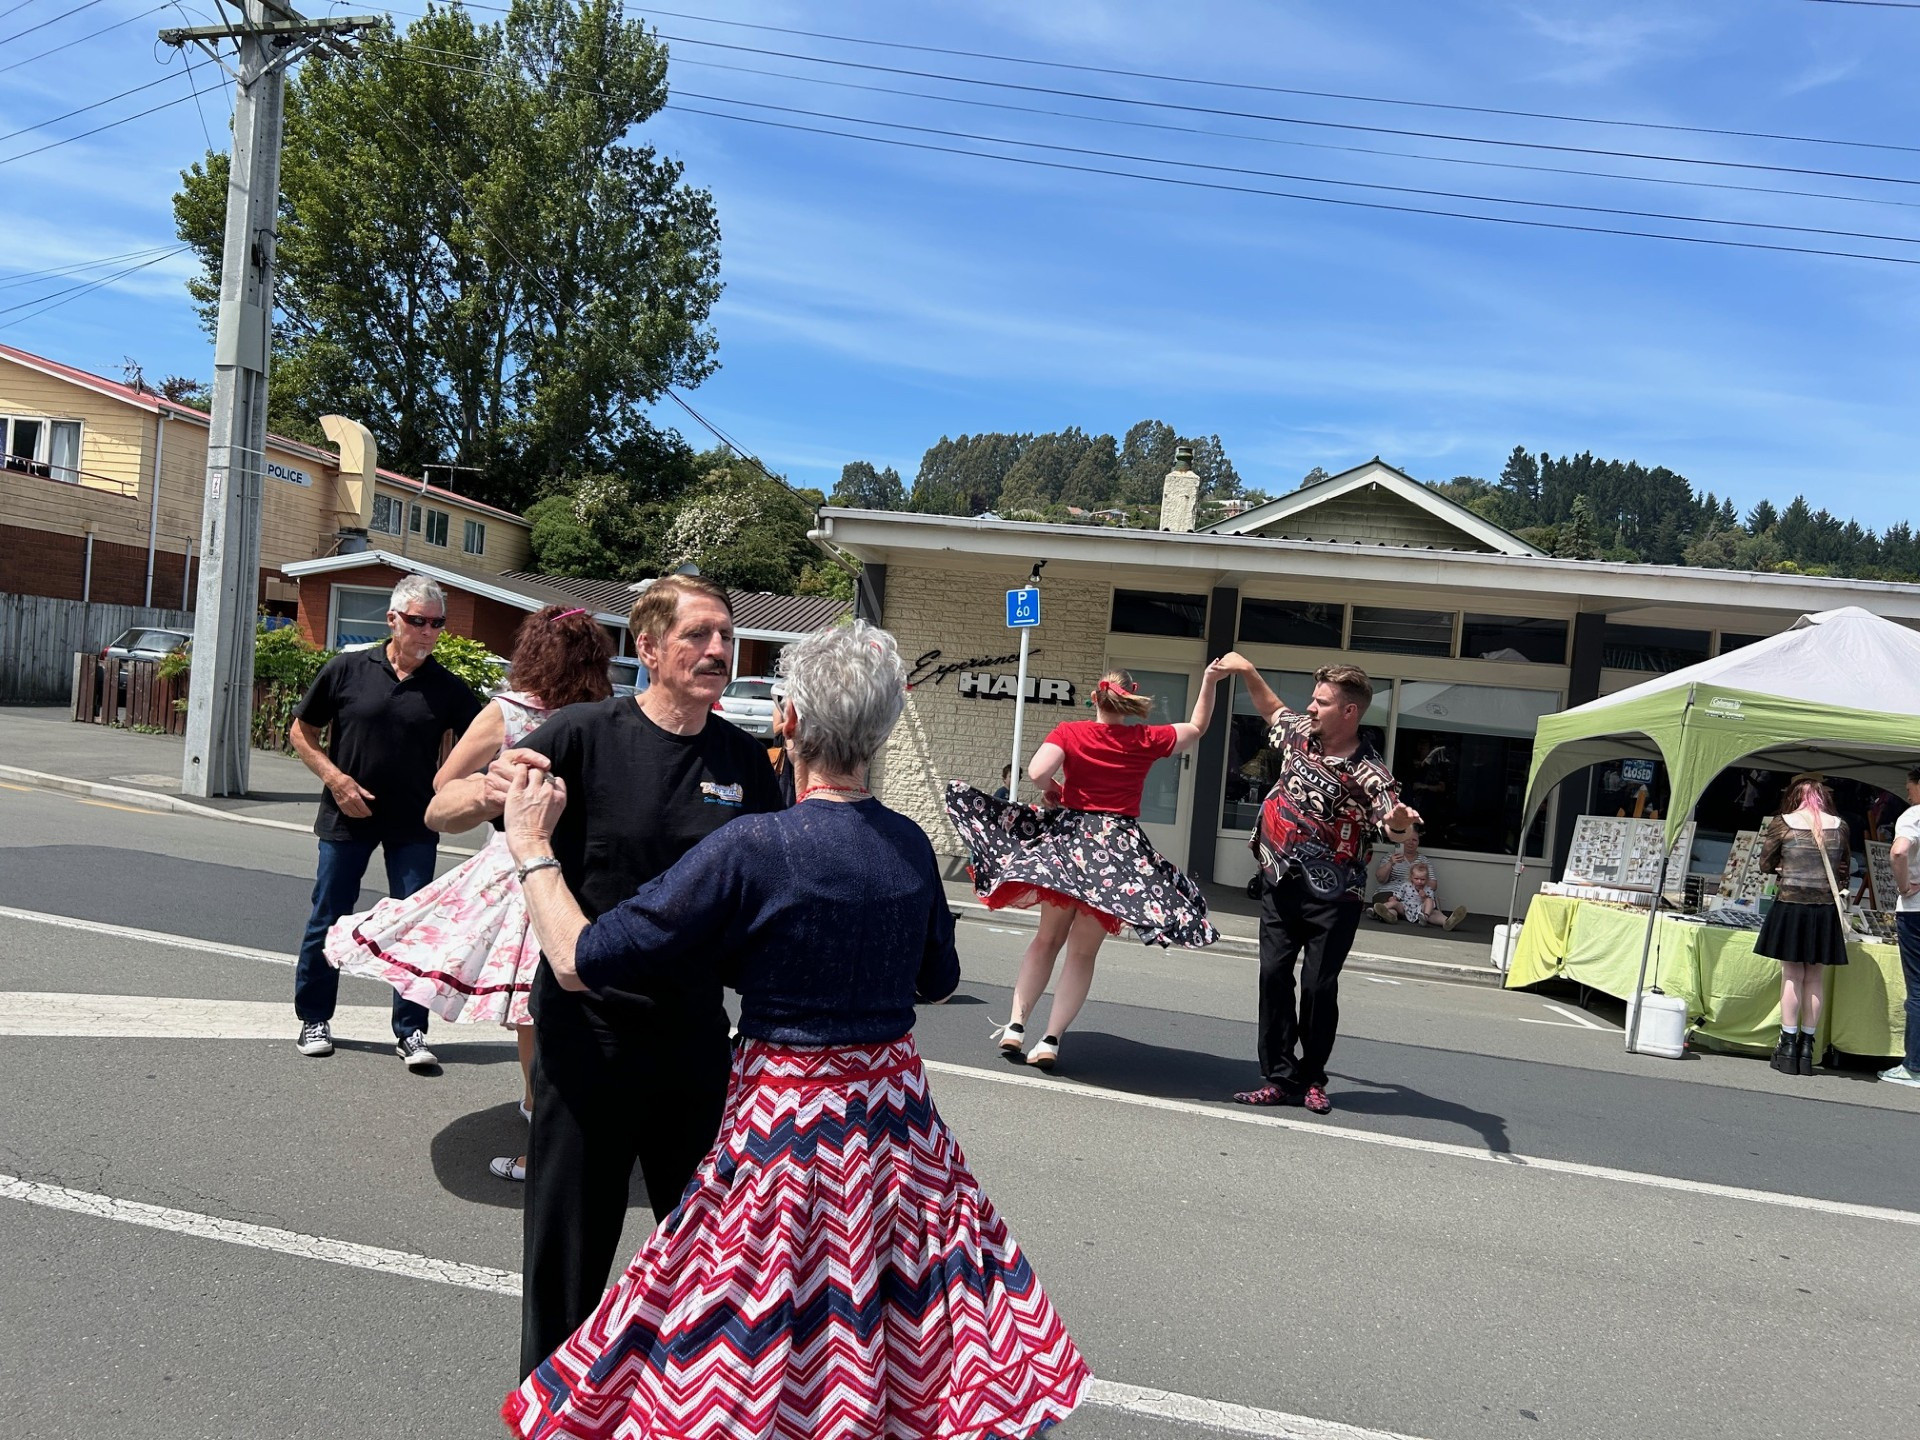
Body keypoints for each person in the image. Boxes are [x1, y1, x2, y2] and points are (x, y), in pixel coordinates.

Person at [498, 620, 1089, 1440]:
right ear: (881, 730)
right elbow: (938, 980)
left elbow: (576, 959)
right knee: (884, 1310)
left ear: (790, 721)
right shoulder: (909, 844)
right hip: (899, 1123)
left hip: (788, 1122)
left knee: (755, 1312)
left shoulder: (754, 847)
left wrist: (531, 842)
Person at [426, 574, 783, 1380]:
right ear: (648, 648)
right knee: (569, 1252)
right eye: (697, 635)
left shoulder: (744, 763)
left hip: (694, 1041)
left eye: (726, 637)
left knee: (706, 1251)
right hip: (588, 1036)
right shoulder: (582, 734)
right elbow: (438, 810)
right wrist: (488, 791)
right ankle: (550, 1406)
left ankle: (695, 1404)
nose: (718, 651)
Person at [324, 604, 613, 1182]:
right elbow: (446, 791)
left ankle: (546, 1123)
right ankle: (549, 1118)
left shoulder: (511, 712)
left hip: (523, 865)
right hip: (579, 869)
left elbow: (444, 783)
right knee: (557, 1005)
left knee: (538, 1008)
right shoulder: (604, 714)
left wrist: (491, 790)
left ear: (533, 653)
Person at [944, 665, 1224, 1071]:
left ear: (1095, 697)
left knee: (1046, 939)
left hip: (1071, 842)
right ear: (1130, 697)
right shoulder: (1144, 738)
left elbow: (1038, 772)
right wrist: (1210, 681)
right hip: (1117, 849)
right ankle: (1050, 1040)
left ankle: (1016, 1026)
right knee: (1082, 953)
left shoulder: (1071, 732)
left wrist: (1054, 790)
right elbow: (1197, 728)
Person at [289, 575, 483, 1068]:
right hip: (347, 815)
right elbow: (301, 732)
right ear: (392, 619)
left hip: (414, 823)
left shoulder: (448, 689)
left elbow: (484, 744)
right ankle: (314, 1018)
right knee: (329, 917)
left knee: (415, 926)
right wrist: (336, 780)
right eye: (418, 621)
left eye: (437, 623)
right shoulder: (347, 669)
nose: (428, 632)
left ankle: (411, 1032)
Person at [1213, 654, 1420, 1115]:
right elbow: (1271, 709)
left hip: (1336, 894)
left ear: (1349, 711)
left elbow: (1393, 824)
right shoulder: (1300, 734)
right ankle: (1278, 1077)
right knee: (1273, 976)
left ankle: (1312, 1078)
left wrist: (1400, 824)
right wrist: (1248, 671)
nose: (1310, 707)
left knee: (1318, 987)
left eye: (1321, 702)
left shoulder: (1371, 772)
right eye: (1313, 699)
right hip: (1280, 879)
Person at [1755, 775, 1851, 1078]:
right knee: (1815, 978)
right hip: (1825, 909)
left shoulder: (1782, 823)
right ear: (1823, 796)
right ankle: (1807, 1047)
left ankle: (1787, 1045)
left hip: (1791, 905)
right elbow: (1844, 870)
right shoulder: (1840, 826)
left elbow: (1765, 864)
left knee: (1792, 976)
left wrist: (1785, 864)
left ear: (1794, 795)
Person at [1882, 767, 1920, 1088]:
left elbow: (1899, 851)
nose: (1908, 794)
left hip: (1916, 910)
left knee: (1918, 989)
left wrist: (1904, 886)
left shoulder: (1913, 816)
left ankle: (1914, 1066)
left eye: (1910, 788)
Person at [1371, 831, 1467, 929]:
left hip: (1416, 895)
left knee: (1429, 910)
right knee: (1391, 906)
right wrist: (1390, 863)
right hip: (1390, 892)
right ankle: (1389, 916)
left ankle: (1447, 921)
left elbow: (1434, 885)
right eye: (1408, 839)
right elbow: (1380, 879)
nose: (1411, 842)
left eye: (1414, 840)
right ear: (1402, 841)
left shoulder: (1423, 861)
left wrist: (1418, 879)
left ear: (1418, 842)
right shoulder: (1390, 857)